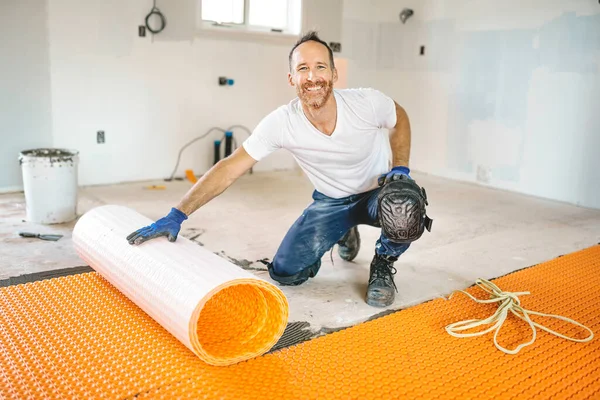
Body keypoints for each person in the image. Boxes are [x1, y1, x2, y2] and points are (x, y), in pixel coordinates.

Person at [127, 31, 432, 307]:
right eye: (302, 69)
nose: (312, 77)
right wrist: (177, 214)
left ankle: (383, 262)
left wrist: (401, 167)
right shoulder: (281, 123)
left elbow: (399, 117)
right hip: (331, 202)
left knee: (405, 207)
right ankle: (343, 230)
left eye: (320, 67)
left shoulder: (365, 102)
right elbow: (230, 167)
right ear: (291, 79)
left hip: (378, 193)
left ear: (334, 74)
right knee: (286, 273)